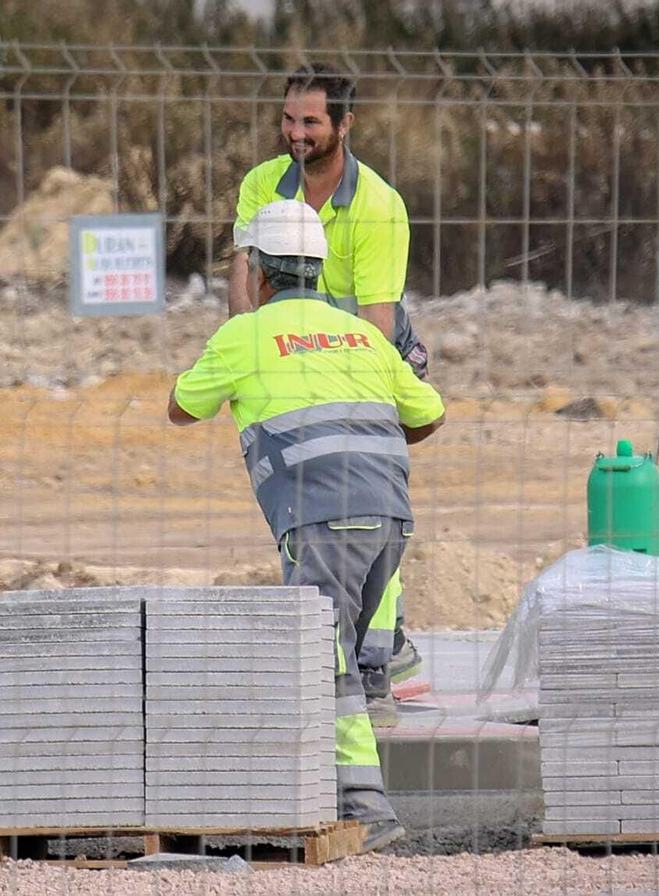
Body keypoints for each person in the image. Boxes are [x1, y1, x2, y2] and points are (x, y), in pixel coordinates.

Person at [169, 200, 445, 852]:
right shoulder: (364, 335)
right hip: (390, 518)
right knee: (340, 649)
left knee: (330, 664)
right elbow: (428, 412)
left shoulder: (246, 335)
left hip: (321, 521)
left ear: (258, 271)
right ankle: (332, 792)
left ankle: (369, 812)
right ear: (320, 269)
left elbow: (183, 407)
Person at [230, 62, 429, 723]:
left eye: (311, 121)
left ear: (344, 123)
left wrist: (328, 374)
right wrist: (247, 350)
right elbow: (242, 276)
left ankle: (377, 657)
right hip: (289, 364)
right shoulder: (262, 185)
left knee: (372, 498)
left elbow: (375, 325)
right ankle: (341, 650)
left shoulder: (378, 206)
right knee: (302, 508)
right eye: (288, 119)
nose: (296, 133)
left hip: (362, 366)